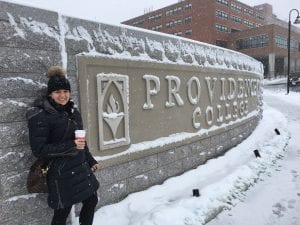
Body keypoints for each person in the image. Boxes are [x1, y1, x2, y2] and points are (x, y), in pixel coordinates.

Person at [27, 66, 100, 225]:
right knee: (62, 212)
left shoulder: (73, 112)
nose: (62, 95)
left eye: (66, 91)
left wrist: (90, 160)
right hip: (60, 172)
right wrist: (71, 146)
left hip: (80, 167)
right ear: (50, 94)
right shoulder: (40, 116)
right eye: (58, 92)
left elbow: (81, 141)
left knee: (92, 199)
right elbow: (39, 150)